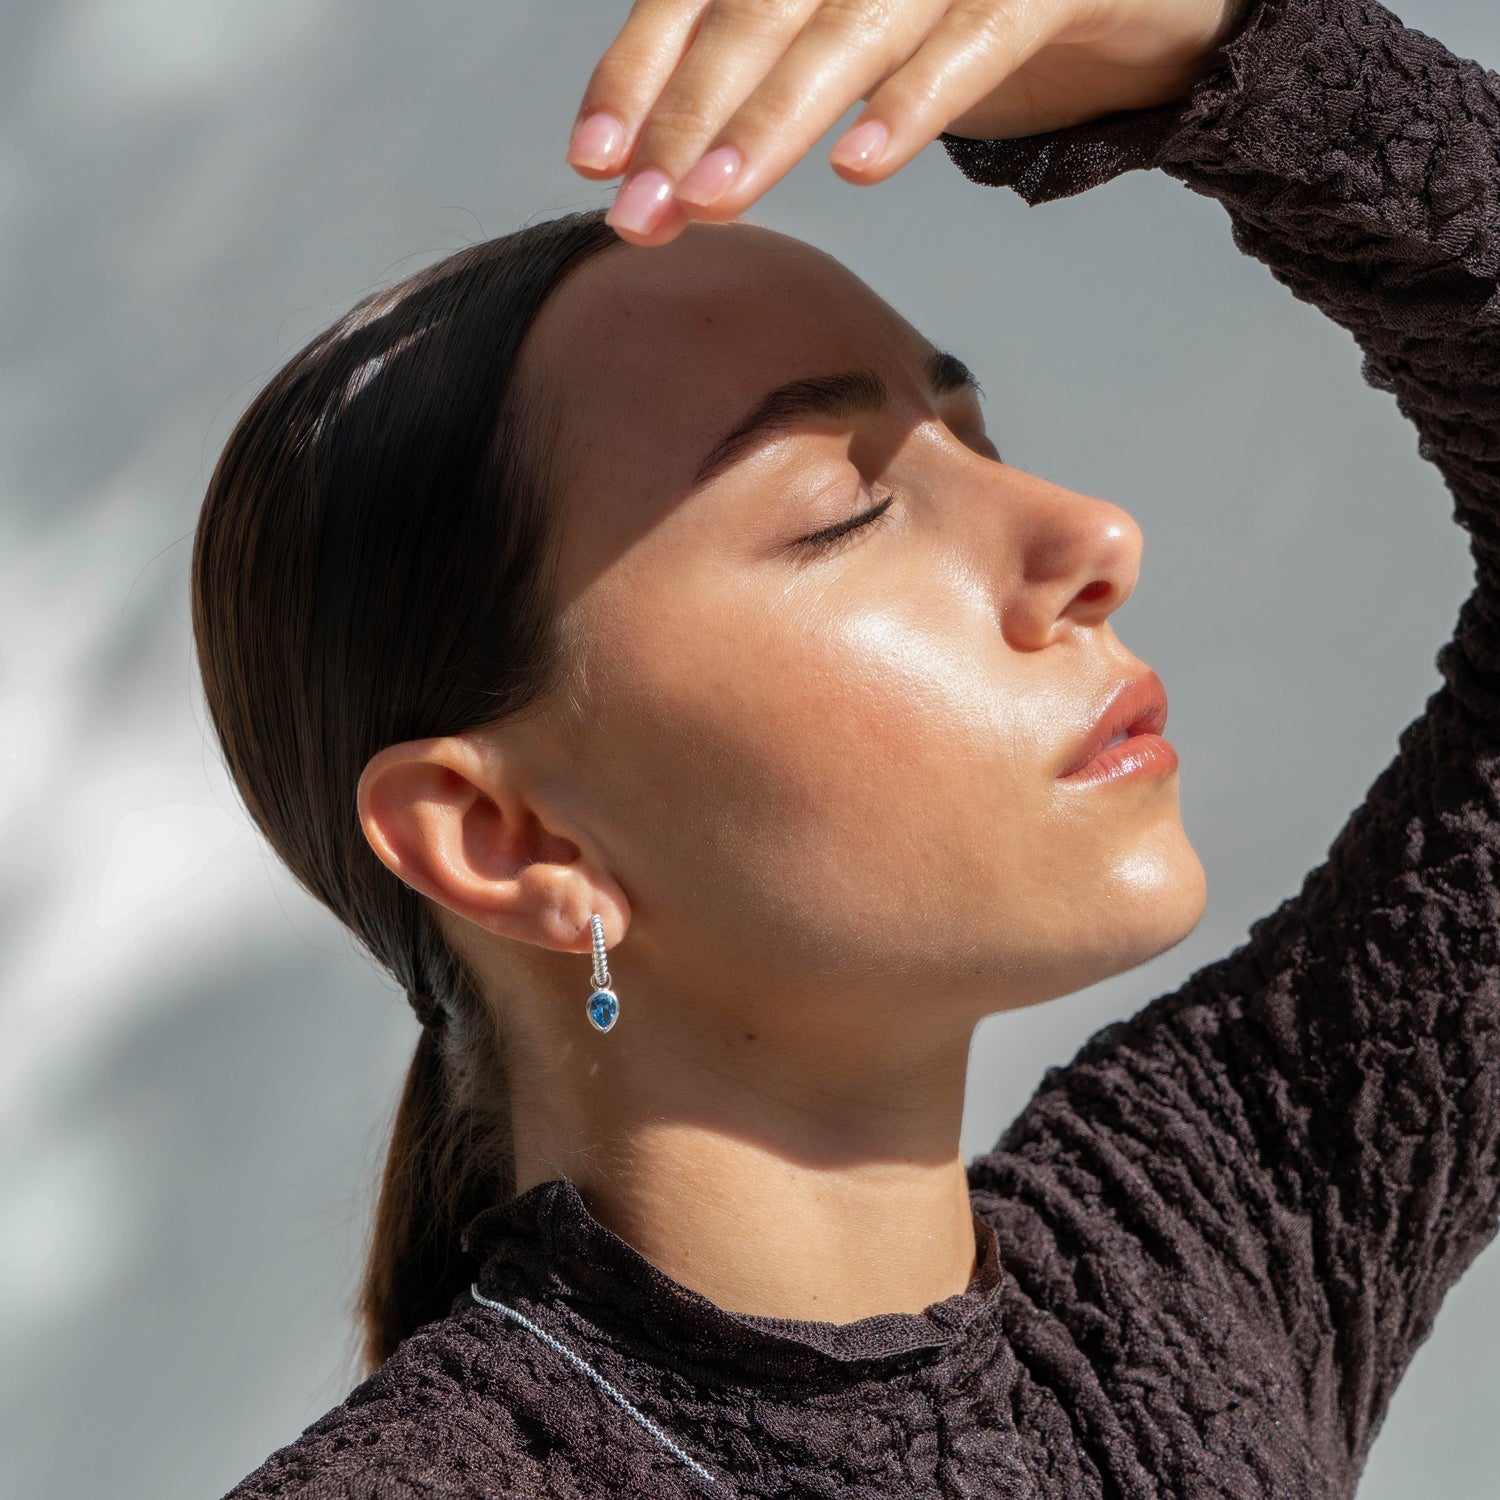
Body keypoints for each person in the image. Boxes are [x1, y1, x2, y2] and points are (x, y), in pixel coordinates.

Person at [200, 0, 1500, 1493]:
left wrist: (1228, 59)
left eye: (979, 439)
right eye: (845, 506)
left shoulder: (1196, 1261)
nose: (1094, 536)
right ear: (514, 841)